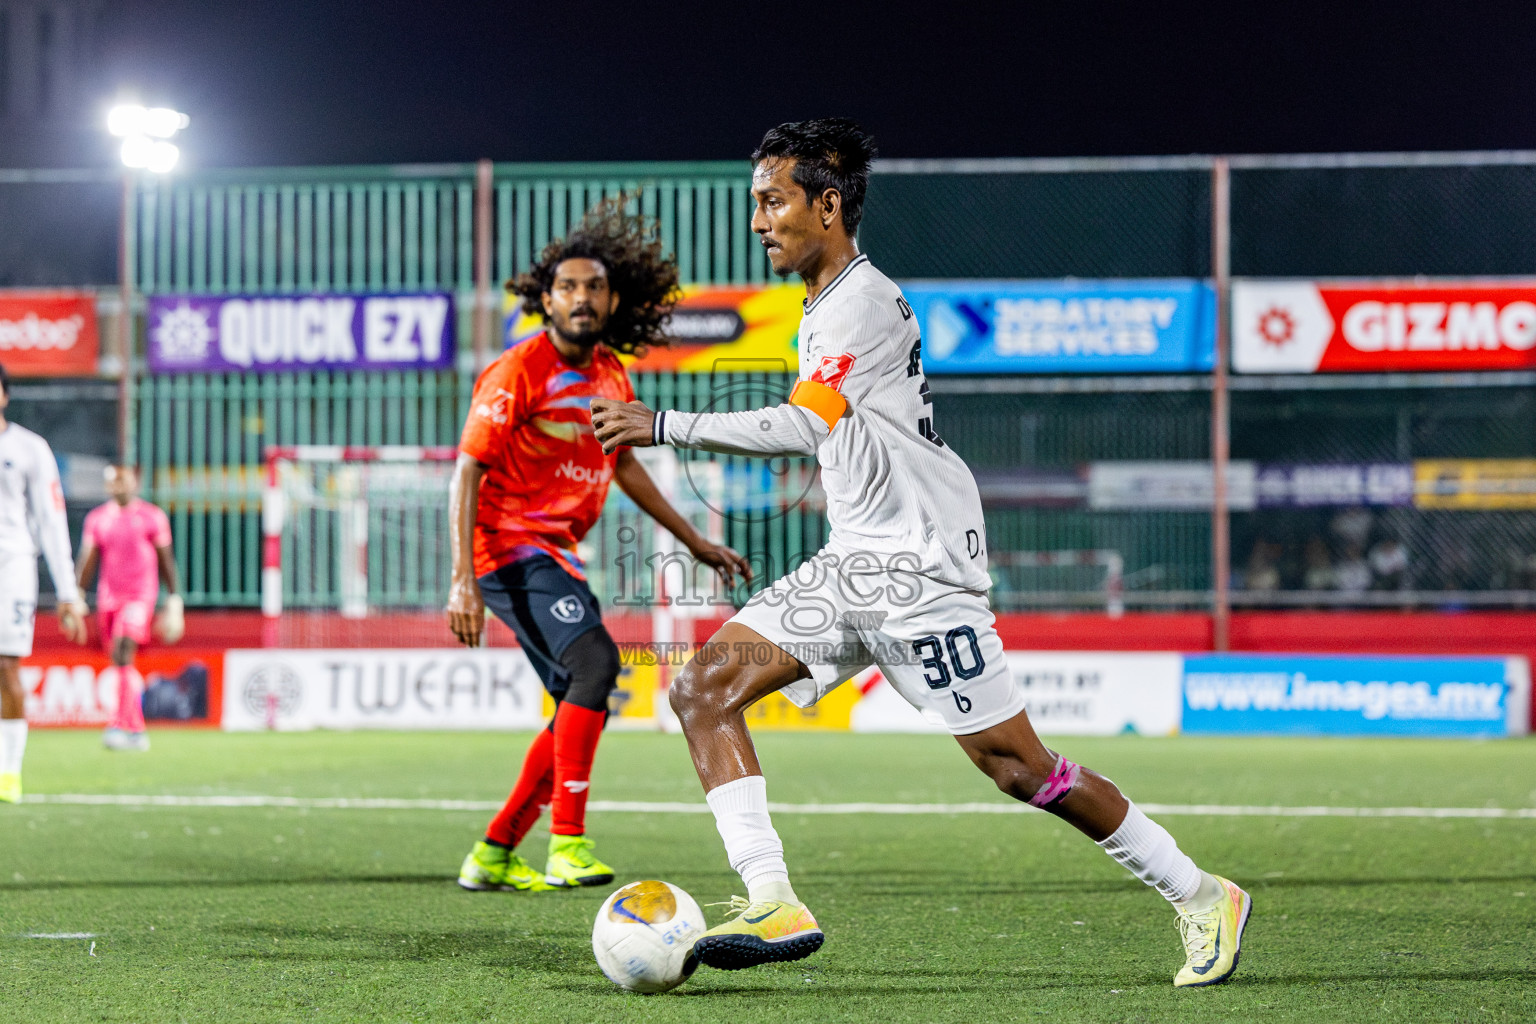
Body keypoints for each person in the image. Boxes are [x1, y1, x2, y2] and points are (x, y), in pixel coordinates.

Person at [593, 119, 1252, 987]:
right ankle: (774, 898)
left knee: (1019, 768)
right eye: (754, 202)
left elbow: (801, 425)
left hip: (921, 571)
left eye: (771, 200)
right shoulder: (826, 303)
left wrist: (664, 423)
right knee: (702, 688)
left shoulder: (861, 303)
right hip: (855, 561)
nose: (758, 219)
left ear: (827, 205)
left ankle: (1203, 894)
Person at [447, 197, 750, 893]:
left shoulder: (611, 373)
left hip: (556, 555)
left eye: (594, 287)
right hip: (507, 550)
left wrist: (697, 541)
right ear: (544, 299)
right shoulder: (518, 371)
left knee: (574, 699)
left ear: (614, 300)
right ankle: (567, 843)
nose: (581, 298)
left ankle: (494, 851)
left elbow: (625, 465)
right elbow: (467, 467)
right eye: (568, 287)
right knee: (597, 663)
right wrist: (461, 579)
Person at [0, 362, 89, 802]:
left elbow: (52, 523)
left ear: (4, 395)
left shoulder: (30, 448)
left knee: (6, 667)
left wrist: (69, 593)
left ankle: (8, 773)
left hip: (11, 566)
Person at [75, 465, 185, 751]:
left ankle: (117, 725)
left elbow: (165, 559)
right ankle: (135, 729)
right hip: (108, 597)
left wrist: (174, 598)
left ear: (134, 482)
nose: (118, 486)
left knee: (124, 650)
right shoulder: (98, 519)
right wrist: (76, 593)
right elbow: (88, 559)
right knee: (120, 662)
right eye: (113, 481)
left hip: (140, 596)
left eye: (123, 480)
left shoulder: (152, 516)